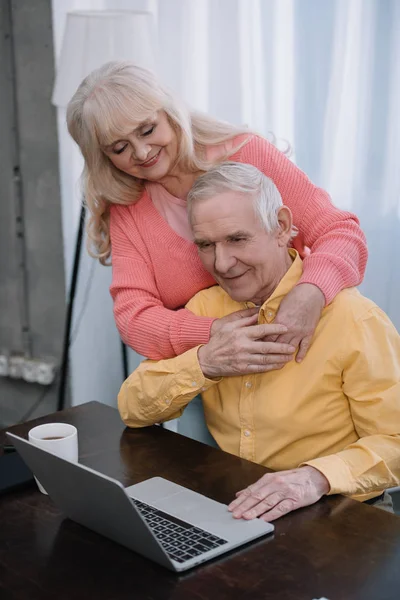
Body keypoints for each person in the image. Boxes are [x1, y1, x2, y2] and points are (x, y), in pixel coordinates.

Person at [118, 163, 400, 520]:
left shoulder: (353, 319)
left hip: (341, 512)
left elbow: (395, 441)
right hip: (238, 505)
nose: (221, 263)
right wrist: (205, 362)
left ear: (281, 227)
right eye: (206, 245)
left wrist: (316, 478)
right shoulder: (205, 307)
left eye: (237, 239)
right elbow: (132, 408)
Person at [66, 61, 368, 370]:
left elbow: (340, 231)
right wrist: (214, 334)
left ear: (169, 114)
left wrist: (311, 292)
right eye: (120, 148)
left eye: (147, 130)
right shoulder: (128, 209)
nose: (142, 152)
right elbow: (134, 317)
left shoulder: (247, 154)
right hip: (209, 373)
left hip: (299, 351)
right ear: (103, 158)